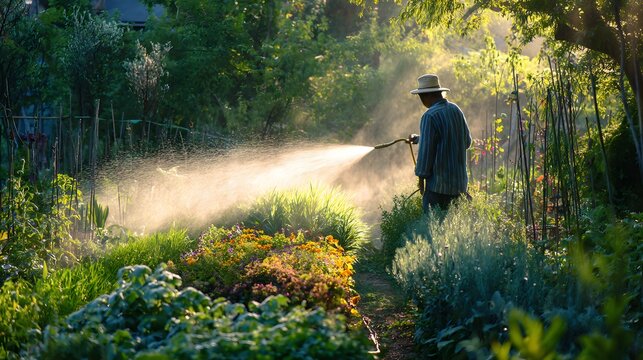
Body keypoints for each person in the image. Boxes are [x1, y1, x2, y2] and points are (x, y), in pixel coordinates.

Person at [408, 74, 472, 212]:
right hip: (460, 187)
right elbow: (466, 142)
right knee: (456, 230)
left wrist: (421, 178)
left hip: (438, 189)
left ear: (426, 96)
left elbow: (426, 153)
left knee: (433, 228)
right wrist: (420, 138)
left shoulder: (429, 116)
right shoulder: (456, 110)